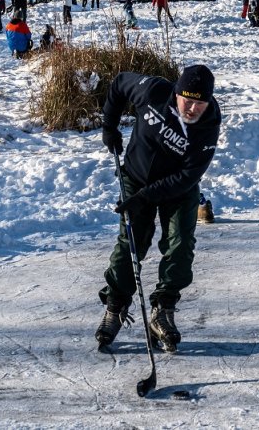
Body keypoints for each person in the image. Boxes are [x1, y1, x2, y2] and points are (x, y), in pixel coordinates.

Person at [95, 65, 222, 352]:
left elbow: (188, 176)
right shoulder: (152, 90)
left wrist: (146, 197)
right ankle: (115, 307)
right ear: (176, 93)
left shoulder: (209, 124)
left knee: (180, 243)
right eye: (186, 100)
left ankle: (163, 310)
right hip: (135, 177)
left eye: (199, 103)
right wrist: (109, 127)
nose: (191, 108)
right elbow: (118, 83)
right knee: (132, 242)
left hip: (178, 189)